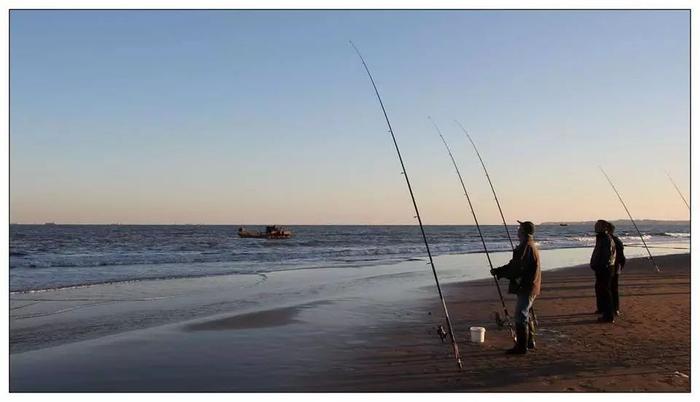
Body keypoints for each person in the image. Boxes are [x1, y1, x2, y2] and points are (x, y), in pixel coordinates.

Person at [490, 221, 541, 355]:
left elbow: (517, 268)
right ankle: (529, 342)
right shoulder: (528, 245)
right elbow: (516, 265)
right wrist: (500, 271)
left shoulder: (526, 247)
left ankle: (521, 347)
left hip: (527, 286)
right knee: (525, 313)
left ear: (523, 231)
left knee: (520, 315)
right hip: (529, 286)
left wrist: (499, 272)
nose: (517, 231)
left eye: (519, 228)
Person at [590, 220, 616, 323]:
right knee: (603, 292)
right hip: (603, 268)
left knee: (605, 292)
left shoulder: (606, 239)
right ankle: (606, 313)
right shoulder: (602, 238)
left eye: (597, 225)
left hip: (604, 269)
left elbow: (606, 255)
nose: (595, 227)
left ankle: (608, 316)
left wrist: (601, 266)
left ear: (603, 228)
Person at [607, 222, 626, 316]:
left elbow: (621, 257)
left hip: (614, 266)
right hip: (614, 266)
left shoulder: (614, 240)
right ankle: (613, 308)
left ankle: (615, 308)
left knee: (613, 288)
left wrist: (619, 267)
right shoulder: (612, 240)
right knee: (611, 288)